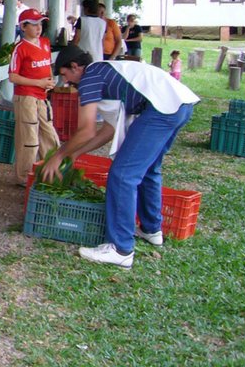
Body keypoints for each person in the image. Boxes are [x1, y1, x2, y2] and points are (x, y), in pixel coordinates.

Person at [44, 45, 199, 269]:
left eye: (65, 75)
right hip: (179, 104)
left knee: (122, 175)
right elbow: (107, 129)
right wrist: (75, 153)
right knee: (148, 169)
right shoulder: (105, 73)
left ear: (75, 67)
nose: (66, 82)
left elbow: (86, 130)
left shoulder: (89, 78)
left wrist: (58, 156)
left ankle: (120, 249)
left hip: (161, 108)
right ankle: (151, 229)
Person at [9, 9, 59, 186]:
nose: (39, 28)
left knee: (49, 133)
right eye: (34, 24)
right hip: (26, 97)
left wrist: (50, 81)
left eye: (40, 24)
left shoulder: (45, 43)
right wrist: (38, 83)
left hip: (42, 96)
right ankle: (25, 176)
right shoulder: (20, 49)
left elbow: (48, 65)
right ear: (23, 27)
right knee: (29, 139)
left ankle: (52, 171)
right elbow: (13, 77)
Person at [72, 0, 106, 64]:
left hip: (83, 55)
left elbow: (76, 39)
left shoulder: (82, 20)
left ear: (86, 9)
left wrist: (70, 50)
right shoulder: (103, 23)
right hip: (98, 56)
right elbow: (102, 42)